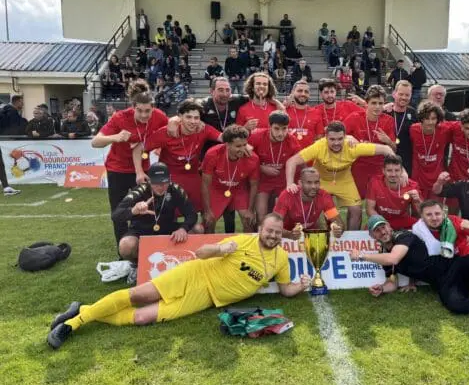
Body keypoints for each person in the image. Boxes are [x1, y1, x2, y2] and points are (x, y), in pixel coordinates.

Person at [47, 213, 311, 350]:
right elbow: (201, 253)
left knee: (142, 317)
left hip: (206, 298)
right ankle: (72, 323)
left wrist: (301, 285)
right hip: (194, 274)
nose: (273, 236)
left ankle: (82, 309)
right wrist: (221, 248)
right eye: (269, 231)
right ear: (261, 229)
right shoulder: (243, 241)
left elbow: (286, 290)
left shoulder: (281, 259)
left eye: (277, 233)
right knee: (138, 295)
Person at [354, 213, 469, 333]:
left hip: (453, 267)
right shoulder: (383, 254)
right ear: (372, 236)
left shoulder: (403, 236)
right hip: (443, 282)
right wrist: (381, 288)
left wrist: (362, 255)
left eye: (383, 227)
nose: (382, 232)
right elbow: (392, 282)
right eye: (377, 231)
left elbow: (394, 258)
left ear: (389, 226)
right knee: (454, 304)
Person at [92, 80, 169, 245]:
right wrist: (116, 137)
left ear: (153, 108)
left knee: (145, 207)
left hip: (142, 170)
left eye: (147, 111)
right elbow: (95, 142)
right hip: (117, 169)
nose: (144, 115)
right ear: (133, 107)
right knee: (119, 210)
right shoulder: (120, 117)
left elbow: (172, 126)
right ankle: (123, 250)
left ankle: (142, 244)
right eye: (139, 111)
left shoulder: (159, 116)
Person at [285, 121, 395, 230]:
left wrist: (399, 170)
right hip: (321, 181)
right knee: (312, 207)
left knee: (356, 209)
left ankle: (351, 238)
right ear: (326, 138)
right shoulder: (318, 146)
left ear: (345, 137)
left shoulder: (353, 147)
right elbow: (292, 161)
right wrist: (289, 184)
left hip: (344, 181)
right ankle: (319, 233)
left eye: (340, 139)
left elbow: (386, 149)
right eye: (332, 139)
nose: (336, 143)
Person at [112, 162, 198, 265]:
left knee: (197, 229)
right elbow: (116, 215)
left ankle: (183, 260)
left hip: (168, 229)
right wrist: (133, 211)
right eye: (156, 184)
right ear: (149, 181)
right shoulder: (140, 191)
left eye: (164, 183)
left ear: (169, 179)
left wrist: (183, 228)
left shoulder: (175, 189)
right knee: (126, 246)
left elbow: (191, 214)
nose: (160, 187)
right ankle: (138, 265)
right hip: (141, 230)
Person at [143, 100, 222, 212]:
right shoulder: (167, 132)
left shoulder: (203, 129)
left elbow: (222, 137)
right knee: (169, 215)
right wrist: (142, 171)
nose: (193, 121)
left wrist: (243, 138)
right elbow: (141, 149)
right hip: (169, 179)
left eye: (196, 118)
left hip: (193, 178)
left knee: (199, 213)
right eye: (188, 117)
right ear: (180, 117)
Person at [201, 125, 259, 233]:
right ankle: (210, 243)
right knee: (209, 221)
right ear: (227, 144)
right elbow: (205, 184)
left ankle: (248, 244)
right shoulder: (212, 154)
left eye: (245, 145)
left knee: (248, 220)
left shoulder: (253, 158)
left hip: (239, 189)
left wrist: (251, 210)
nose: (242, 149)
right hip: (217, 189)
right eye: (238, 146)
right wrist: (207, 211)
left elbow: (254, 185)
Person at [344, 85, 397, 198]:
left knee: (379, 202)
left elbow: (394, 150)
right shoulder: (354, 117)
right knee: (356, 204)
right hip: (358, 167)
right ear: (366, 103)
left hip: (379, 168)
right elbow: (337, 135)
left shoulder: (389, 120)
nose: (377, 107)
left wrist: (388, 141)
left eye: (380, 103)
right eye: (373, 103)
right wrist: (347, 137)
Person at [249, 111, 301, 224]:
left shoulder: (292, 140)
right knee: (261, 214)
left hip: (282, 180)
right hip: (263, 180)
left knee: (281, 214)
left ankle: (280, 233)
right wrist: (261, 167)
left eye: (284, 129)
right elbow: (246, 158)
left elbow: (299, 162)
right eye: (277, 128)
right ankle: (261, 233)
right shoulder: (256, 137)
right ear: (269, 126)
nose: (281, 133)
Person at [274, 167, 344, 240]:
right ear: (300, 183)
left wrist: (338, 229)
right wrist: (290, 234)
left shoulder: (324, 196)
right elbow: (274, 225)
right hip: (286, 236)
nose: (313, 186)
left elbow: (338, 222)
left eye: (316, 182)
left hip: (311, 235)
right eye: (309, 183)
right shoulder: (288, 195)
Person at [410, 102, 453, 200]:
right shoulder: (413, 129)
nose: (430, 122)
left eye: (433, 118)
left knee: (435, 207)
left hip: (437, 179)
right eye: (427, 118)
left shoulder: (445, 130)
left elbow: (461, 125)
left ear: (438, 119)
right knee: (418, 207)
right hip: (418, 178)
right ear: (421, 118)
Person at [366, 156, 422, 230]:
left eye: (397, 170)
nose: (393, 174)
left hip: (401, 220)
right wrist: (383, 224)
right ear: (383, 171)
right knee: (367, 230)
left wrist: (417, 201)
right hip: (381, 220)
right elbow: (370, 209)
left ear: (401, 171)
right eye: (389, 170)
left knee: (420, 226)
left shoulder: (412, 186)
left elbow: (421, 213)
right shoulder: (375, 182)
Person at [385, 81, 418, 174]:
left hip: (406, 161)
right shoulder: (386, 111)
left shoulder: (414, 113)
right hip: (386, 159)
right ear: (394, 94)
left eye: (407, 95)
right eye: (401, 94)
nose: (404, 97)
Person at [285, 80, 324, 149]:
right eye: (300, 91)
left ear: (309, 94)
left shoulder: (316, 113)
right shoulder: (284, 111)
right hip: (288, 154)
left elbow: (319, 138)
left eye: (306, 92)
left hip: (309, 154)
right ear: (292, 92)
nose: (303, 94)